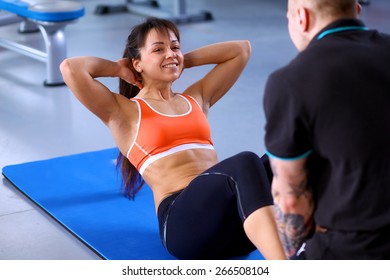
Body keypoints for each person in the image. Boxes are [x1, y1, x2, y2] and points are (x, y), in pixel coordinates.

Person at [60, 17, 286, 260]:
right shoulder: (124, 112)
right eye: (158, 49)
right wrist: (118, 68)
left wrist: (179, 60)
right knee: (245, 163)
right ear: (137, 63)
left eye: (175, 46)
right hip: (184, 228)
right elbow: (71, 68)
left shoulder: (196, 98)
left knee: (288, 156)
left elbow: (241, 50)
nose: (170, 53)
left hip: (230, 229)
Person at [263, 0, 390, 259]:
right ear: (356, 9)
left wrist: (294, 256)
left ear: (301, 18)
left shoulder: (290, 80)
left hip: (355, 250)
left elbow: (290, 199)